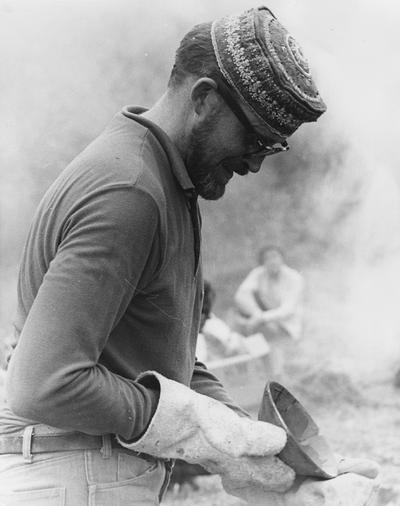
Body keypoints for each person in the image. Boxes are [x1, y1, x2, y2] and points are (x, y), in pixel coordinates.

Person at [0, 6, 378, 506]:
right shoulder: (129, 193)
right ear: (204, 100)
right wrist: (196, 425)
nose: (256, 164)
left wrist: (257, 450)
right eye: (256, 139)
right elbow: (46, 384)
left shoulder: (166, 185)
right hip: (74, 474)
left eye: (275, 148)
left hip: (92, 472)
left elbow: (160, 362)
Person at [231, 245, 304, 376]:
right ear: (263, 262)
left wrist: (262, 318)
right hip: (263, 320)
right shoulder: (259, 273)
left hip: (286, 325)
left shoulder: (294, 278)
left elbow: (288, 309)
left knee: (264, 332)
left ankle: (275, 373)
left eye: (275, 257)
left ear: (282, 258)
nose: (272, 261)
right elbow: (241, 295)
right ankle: (253, 370)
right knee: (240, 324)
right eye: (268, 258)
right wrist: (256, 313)